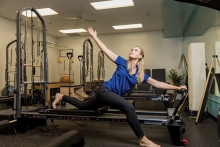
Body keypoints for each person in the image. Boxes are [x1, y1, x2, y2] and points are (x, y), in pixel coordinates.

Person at [52, 27, 187, 147]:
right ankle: (143, 139)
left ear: (140, 56)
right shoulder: (122, 62)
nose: (132, 51)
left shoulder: (140, 74)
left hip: (109, 97)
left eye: (135, 50)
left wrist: (175, 87)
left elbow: (157, 83)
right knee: (129, 107)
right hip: (105, 91)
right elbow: (106, 50)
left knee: (83, 106)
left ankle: (61, 96)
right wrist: (95, 37)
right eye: (131, 49)